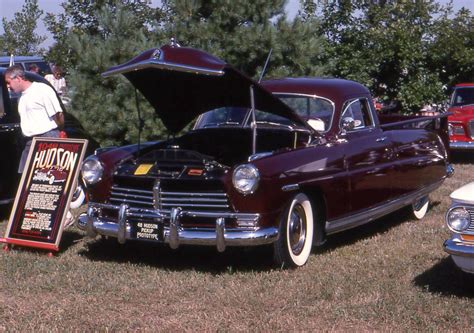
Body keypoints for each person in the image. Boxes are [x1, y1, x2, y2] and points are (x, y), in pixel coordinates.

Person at [5, 64, 64, 173]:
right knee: (25, 176)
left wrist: (57, 134)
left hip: (48, 138)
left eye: (8, 82)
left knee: (49, 175)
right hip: (30, 141)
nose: (8, 86)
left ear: (18, 78)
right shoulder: (21, 97)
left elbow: (58, 115)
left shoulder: (41, 89)